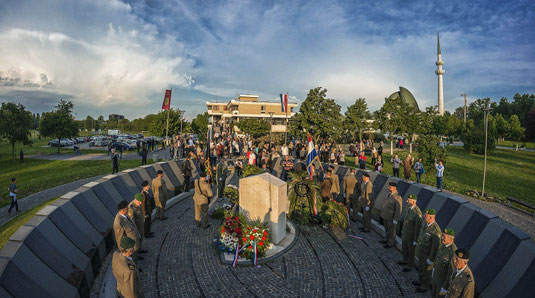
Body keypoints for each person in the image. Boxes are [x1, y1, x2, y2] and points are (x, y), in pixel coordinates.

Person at [413, 209, 442, 292]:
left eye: (425, 215)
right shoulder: (424, 223)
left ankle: (424, 286)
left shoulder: (436, 230)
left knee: (426, 272)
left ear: (431, 217)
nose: (424, 216)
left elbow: (435, 247)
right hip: (421, 253)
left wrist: (431, 259)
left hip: (427, 255)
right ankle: (420, 281)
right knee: (421, 269)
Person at [431, 228, 457, 297]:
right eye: (442, 236)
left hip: (442, 283)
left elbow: (450, 272)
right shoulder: (443, 245)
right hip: (436, 278)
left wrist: (445, 287)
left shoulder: (453, 252)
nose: (442, 238)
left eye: (444, 237)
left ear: (451, 239)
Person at [400, 194, 422, 272]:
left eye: (408, 200)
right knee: (404, 248)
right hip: (405, 234)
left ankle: (410, 265)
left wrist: (415, 240)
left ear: (413, 202)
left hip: (411, 236)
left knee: (411, 251)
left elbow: (417, 228)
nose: (406, 201)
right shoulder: (408, 208)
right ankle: (404, 260)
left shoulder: (417, 212)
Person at [379, 182, 402, 248]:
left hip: (390, 217)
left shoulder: (397, 197)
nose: (389, 188)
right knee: (386, 228)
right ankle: (386, 239)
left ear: (394, 188)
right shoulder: (389, 194)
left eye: (390, 187)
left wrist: (395, 219)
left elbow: (398, 210)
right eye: (389, 187)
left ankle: (391, 242)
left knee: (391, 230)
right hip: (385, 215)